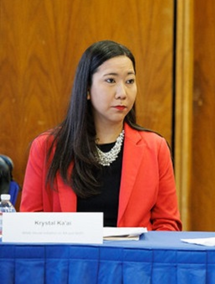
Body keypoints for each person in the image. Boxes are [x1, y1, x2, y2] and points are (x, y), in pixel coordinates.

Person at [21, 40, 182, 231]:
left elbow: (167, 225)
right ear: (87, 89)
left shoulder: (155, 148)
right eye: (110, 80)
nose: (122, 93)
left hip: (133, 260)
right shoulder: (47, 147)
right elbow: (30, 225)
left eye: (129, 81)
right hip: (69, 260)